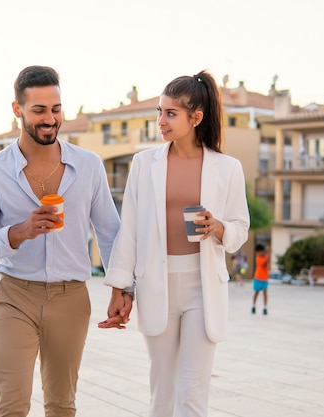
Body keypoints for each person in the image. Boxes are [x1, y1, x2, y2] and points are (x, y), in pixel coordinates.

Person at [0, 65, 120, 417]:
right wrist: (21, 231)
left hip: (71, 298)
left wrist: (121, 286)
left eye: (56, 109)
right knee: (10, 407)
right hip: (14, 296)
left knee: (62, 406)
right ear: (17, 110)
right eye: (39, 111)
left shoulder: (89, 166)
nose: (50, 119)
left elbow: (110, 231)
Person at [98, 70, 250, 417]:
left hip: (203, 288)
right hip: (156, 285)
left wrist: (219, 227)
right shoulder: (143, 164)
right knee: (162, 392)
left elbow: (240, 228)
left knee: (193, 393)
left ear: (195, 118)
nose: (160, 121)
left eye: (170, 113)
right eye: (159, 111)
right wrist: (120, 287)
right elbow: (131, 229)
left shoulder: (228, 168)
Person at [251, 243, 270, 315]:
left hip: (265, 278)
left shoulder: (265, 256)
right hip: (258, 278)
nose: (259, 253)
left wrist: (267, 252)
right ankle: (253, 305)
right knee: (256, 292)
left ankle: (265, 307)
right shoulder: (258, 258)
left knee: (265, 293)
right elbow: (265, 263)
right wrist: (268, 252)